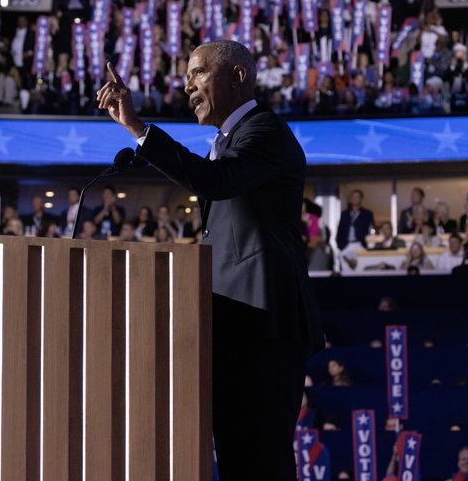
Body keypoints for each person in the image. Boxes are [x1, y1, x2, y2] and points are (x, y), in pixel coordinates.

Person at [96, 40, 323, 479]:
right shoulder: (229, 140)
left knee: (262, 456)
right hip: (235, 321)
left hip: (267, 320)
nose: (187, 86)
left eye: (198, 73)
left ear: (238, 75)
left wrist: (139, 130)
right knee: (239, 455)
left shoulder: (265, 130)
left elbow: (216, 180)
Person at [336, 189, 375, 270]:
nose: (354, 198)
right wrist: (340, 245)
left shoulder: (367, 214)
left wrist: (368, 244)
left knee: (360, 268)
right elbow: (340, 230)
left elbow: (371, 229)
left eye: (357, 197)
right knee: (345, 269)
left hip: (360, 244)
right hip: (346, 245)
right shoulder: (345, 214)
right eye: (353, 197)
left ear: (361, 198)